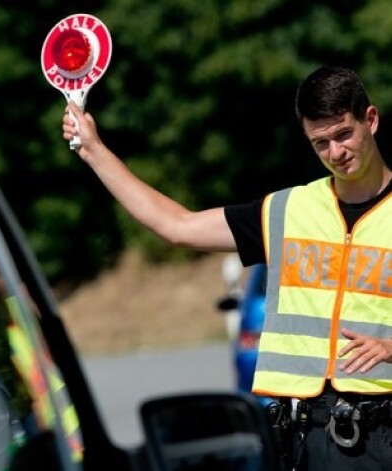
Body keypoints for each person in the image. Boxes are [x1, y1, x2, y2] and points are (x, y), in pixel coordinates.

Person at [61, 65, 392, 470]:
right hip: (300, 441)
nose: (335, 153)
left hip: (382, 435)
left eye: (343, 134)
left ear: (370, 120)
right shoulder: (286, 210)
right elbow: (177, 226)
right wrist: (93, 149)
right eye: (320, 143)